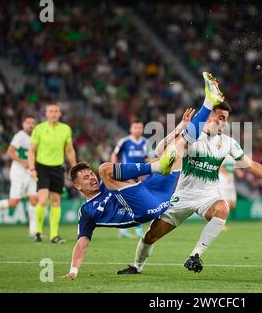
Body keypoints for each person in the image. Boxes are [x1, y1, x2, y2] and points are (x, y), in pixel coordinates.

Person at [118, 74, 262, 275]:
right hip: (181, 196)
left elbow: (251, 165)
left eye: (226, 119)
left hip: (208, 196)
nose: (224, 122)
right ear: (209, 116)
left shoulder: (228, 143)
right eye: (220, 117)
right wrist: (181, 127)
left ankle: (195, 255)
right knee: (151, 236)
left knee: (223, 208)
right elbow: (161, 152)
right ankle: (137, 266)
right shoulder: (192, 135)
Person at [62, 72, 222, 278]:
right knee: (106, 168)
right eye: (85, 178)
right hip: (140, 209)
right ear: (78, 187)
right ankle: (159, 165)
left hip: (158, 196)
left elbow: (153, 157)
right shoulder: (87, 211)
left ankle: (208, 102)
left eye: (90, 174)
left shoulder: (106, 185)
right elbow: (82, 242)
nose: (92, 178)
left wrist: (180, 127)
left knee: (179, 145)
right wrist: (73, 271)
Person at [0, 115, 38, 236]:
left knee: (34, 200)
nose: (30, 125)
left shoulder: (36, 137)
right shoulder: (20, 136)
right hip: (19, 173)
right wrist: (22, 162)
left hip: (30, 172)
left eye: (32, 123)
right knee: (13, 203)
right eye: (28, 122)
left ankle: (34, 232)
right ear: (23, 124)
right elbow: (9, 152)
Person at [28, 103, 77, 244]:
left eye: (56, 111)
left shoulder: (65, 129)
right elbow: (31, 150)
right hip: (42, 167)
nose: (54, 113)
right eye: (51, 111)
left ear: (60, 114)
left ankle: (54, 235)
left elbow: (69, 150)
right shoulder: (39, 129)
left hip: (58, 168)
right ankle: (38, 232)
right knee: (42, 200)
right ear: (46, 114)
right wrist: (32, 168)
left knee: (56, 200)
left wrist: (74, 168)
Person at [111, 119, 149, 238]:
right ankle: (137, 229)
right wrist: (115, 170)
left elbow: (147, 159)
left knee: (130, 203)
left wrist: (150, 170)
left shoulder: (145, 143)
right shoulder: (125, 142)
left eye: (140, 127)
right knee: (134, 202)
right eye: (135, 127)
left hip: (139, 177)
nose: (138, 130)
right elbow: (114, 155)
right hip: (126, 175)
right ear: (131, 129)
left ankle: (124, 230)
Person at [218, 155, 243, 230]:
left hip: (230, 181)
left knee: (232, 204)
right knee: (224, 203)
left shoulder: (233, 155)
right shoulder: (223, 153)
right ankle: (219, 223)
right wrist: (226, 174)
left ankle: (216, 219)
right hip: (222, 180)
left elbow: (232, 166)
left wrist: (238, 171)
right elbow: (219, 166)